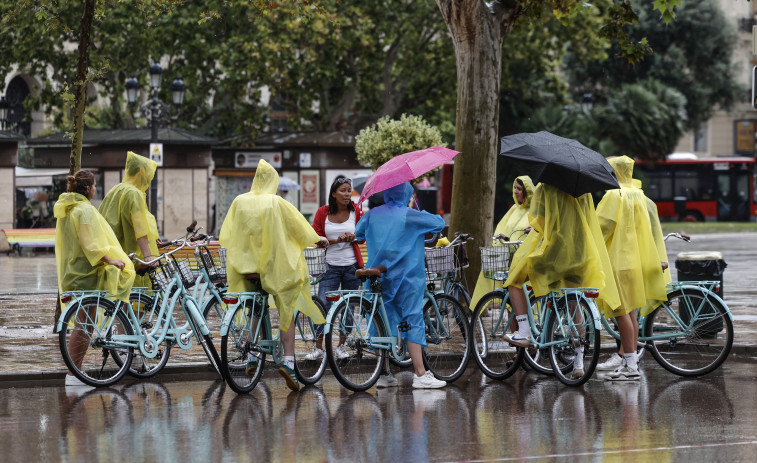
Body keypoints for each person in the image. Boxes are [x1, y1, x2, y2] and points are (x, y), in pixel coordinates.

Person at [219, 159, 327, 392]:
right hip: (272, 268)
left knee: (255, 308)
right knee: (286, 306)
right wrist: (319, 239)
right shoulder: (277, 202)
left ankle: (252, 357)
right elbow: (300, 228)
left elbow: (227, 234)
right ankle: (289, 362)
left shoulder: (239, 201)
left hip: (245, 268)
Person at [502, 183, 620, 379]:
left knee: (514, 280)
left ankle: (524, 331)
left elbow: (539, 221)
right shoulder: (583, 190)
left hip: (554, 253)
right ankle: (579, 363)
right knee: (574, 304)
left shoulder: (544, 188)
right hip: (580, 253)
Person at [355, 182, 447, 389]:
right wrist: (416, 206)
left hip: (378, 277)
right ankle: (421, 374)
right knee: (412, 319)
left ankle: (384, 373)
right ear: (406, 193)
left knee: (382, 322)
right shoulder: (409, 215)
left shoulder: (372, 215)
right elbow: (439, 223)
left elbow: (358, 234)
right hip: (407, 278)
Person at [54, 170, 136, 387]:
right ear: (88, 188)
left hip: (74, 270)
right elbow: (90, 243)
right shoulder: (84, 211)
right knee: (83, 325)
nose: (95, 189)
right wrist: (110, 260)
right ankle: (74, 375)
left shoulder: (69, 209)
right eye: (94, 186)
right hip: (87, 272)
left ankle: (74, 373)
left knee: (83, 324)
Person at [595, 156, 670, 381]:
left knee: (620, 312)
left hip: (618, 262)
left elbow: (601, 227)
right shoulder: (638, 194)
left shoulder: (613, 195)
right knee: (631, 313)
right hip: (635, 261)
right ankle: (630, 361)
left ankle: (629, 366)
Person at [306, 175, 364, 361]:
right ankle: (318, 347)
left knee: (348, 307)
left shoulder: (356, 211)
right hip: (329, 267)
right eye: (343, 191)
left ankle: (341, 346)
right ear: (333, 193)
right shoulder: (323, 212)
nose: (347, 194)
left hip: (351, 266)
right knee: (323, 304)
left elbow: (362, 236)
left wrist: (352, 238)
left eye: (349, 190)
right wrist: (336, 240)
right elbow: (315, 238)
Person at [470, 176, 534, 310]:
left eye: (520, 189)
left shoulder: (534, 212)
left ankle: (524, 327)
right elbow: (501, 228)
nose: (516, 191)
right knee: (510, 299)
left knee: (521, 296)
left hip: (524, 260)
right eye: (515, 188)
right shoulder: (513, 210)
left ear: (527, 191)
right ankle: (515, 330)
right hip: (509, 258)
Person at [98, 151, 160, 288]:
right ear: (141, 172)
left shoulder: (115, 190)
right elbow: (140, 227)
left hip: (114, 254)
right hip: (131, 257)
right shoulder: (134, 194)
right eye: (149, 175)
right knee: (137, 297)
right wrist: (148, 256)